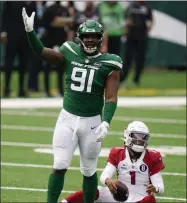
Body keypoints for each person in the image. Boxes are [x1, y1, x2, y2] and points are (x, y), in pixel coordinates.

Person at [22, 7, 122, 203]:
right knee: (59, 164)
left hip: (92, 121)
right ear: (80, 38)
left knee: (89, 169)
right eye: (86, 36)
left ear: (100, 38)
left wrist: (106, 121)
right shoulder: (69, 51)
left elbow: (110, 97)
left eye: (94, 37)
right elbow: (42, 51)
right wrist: (30, 32)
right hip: (67, 118)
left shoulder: (111, 62)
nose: (90, 40)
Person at [60, 121, 165, 203]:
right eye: (136, 137)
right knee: (93, 190)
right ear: (127, 136)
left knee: (150, 200)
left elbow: (161, 187)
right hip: (118, 194)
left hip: (140, 197)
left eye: (143, 138)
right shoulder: (117, 153)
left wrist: (155, 188)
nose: (140, 141)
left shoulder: (152, 157)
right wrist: (108, 181)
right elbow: (104, 176)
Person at [120, 0, 153, 86]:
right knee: (128, 59)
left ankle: (136, 79)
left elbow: (150, 21)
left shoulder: (147, 8)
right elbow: (125, 19)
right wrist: (126, 29)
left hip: (142, 37)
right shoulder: (131, 6)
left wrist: (148, 29)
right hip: (130, 37)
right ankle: (122, 79)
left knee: (140, 59)